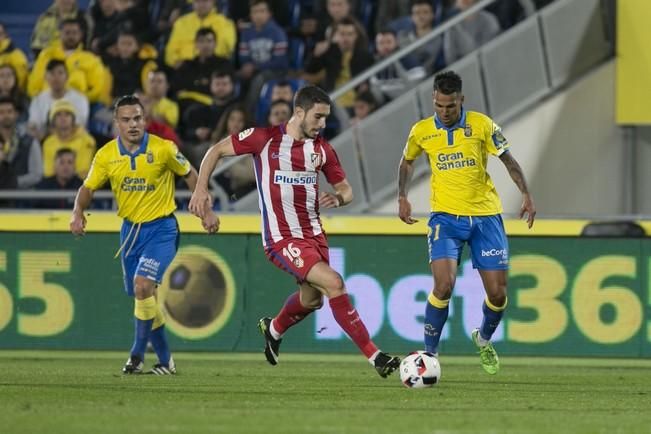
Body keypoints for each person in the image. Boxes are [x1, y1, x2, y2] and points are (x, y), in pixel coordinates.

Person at [188, 85, 401, 378]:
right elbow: (216, 151)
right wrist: (201, 190)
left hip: (314, 235)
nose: (322, 124)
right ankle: (376, 357)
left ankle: (273, 328)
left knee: (312, 300)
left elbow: (346, 189)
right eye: (317, 117)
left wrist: (338, 198)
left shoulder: (321, 149)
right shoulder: (264, 139)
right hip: (281, 238)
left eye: (326, 118)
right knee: (335, 283)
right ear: (298, 112)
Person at [397, 71, 536, 375]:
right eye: (439, 106)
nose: (444, 112)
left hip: (486, 217)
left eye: (450, 106)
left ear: (461, 100)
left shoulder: (482, 125)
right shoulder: (421, 131)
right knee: (444, 285)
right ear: (433, 101)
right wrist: (402, 196)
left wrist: (525, 193)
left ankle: (483, 340)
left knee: (498, 295)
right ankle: (428, 357)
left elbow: (509, 161)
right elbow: (407, 161)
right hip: (445, 218)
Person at [70, 94, 218, 375]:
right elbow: (87, 188)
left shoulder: (164, 149)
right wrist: (77, 212)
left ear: (144, 119)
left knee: (142, 286)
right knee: (143, 296)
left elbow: (190, 175)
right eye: (126, 120)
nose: (133, 125)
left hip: (162, 229)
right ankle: (166, 361)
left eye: (137, 118)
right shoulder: (106, 155)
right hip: (130, 233)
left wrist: (205, 209)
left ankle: (136, 354)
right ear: (117, 123)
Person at [27, 59, 89, 140]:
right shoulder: (38, 99)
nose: (56, 78)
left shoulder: (80, 99)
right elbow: (34, 124)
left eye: (60, 73)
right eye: (52, 73)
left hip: (74, 140)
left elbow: (79, 124)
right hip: (45, 140)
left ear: (67, 76)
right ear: (45, 77)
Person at [42, 99, 96, 178]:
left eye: (67, 114)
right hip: (54, 187)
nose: (63, 118)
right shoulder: (48, 143)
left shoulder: (87, 140)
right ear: (53, 120)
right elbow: (48, 172)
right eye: (58, 115)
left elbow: (84, 172)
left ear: (73, 119)